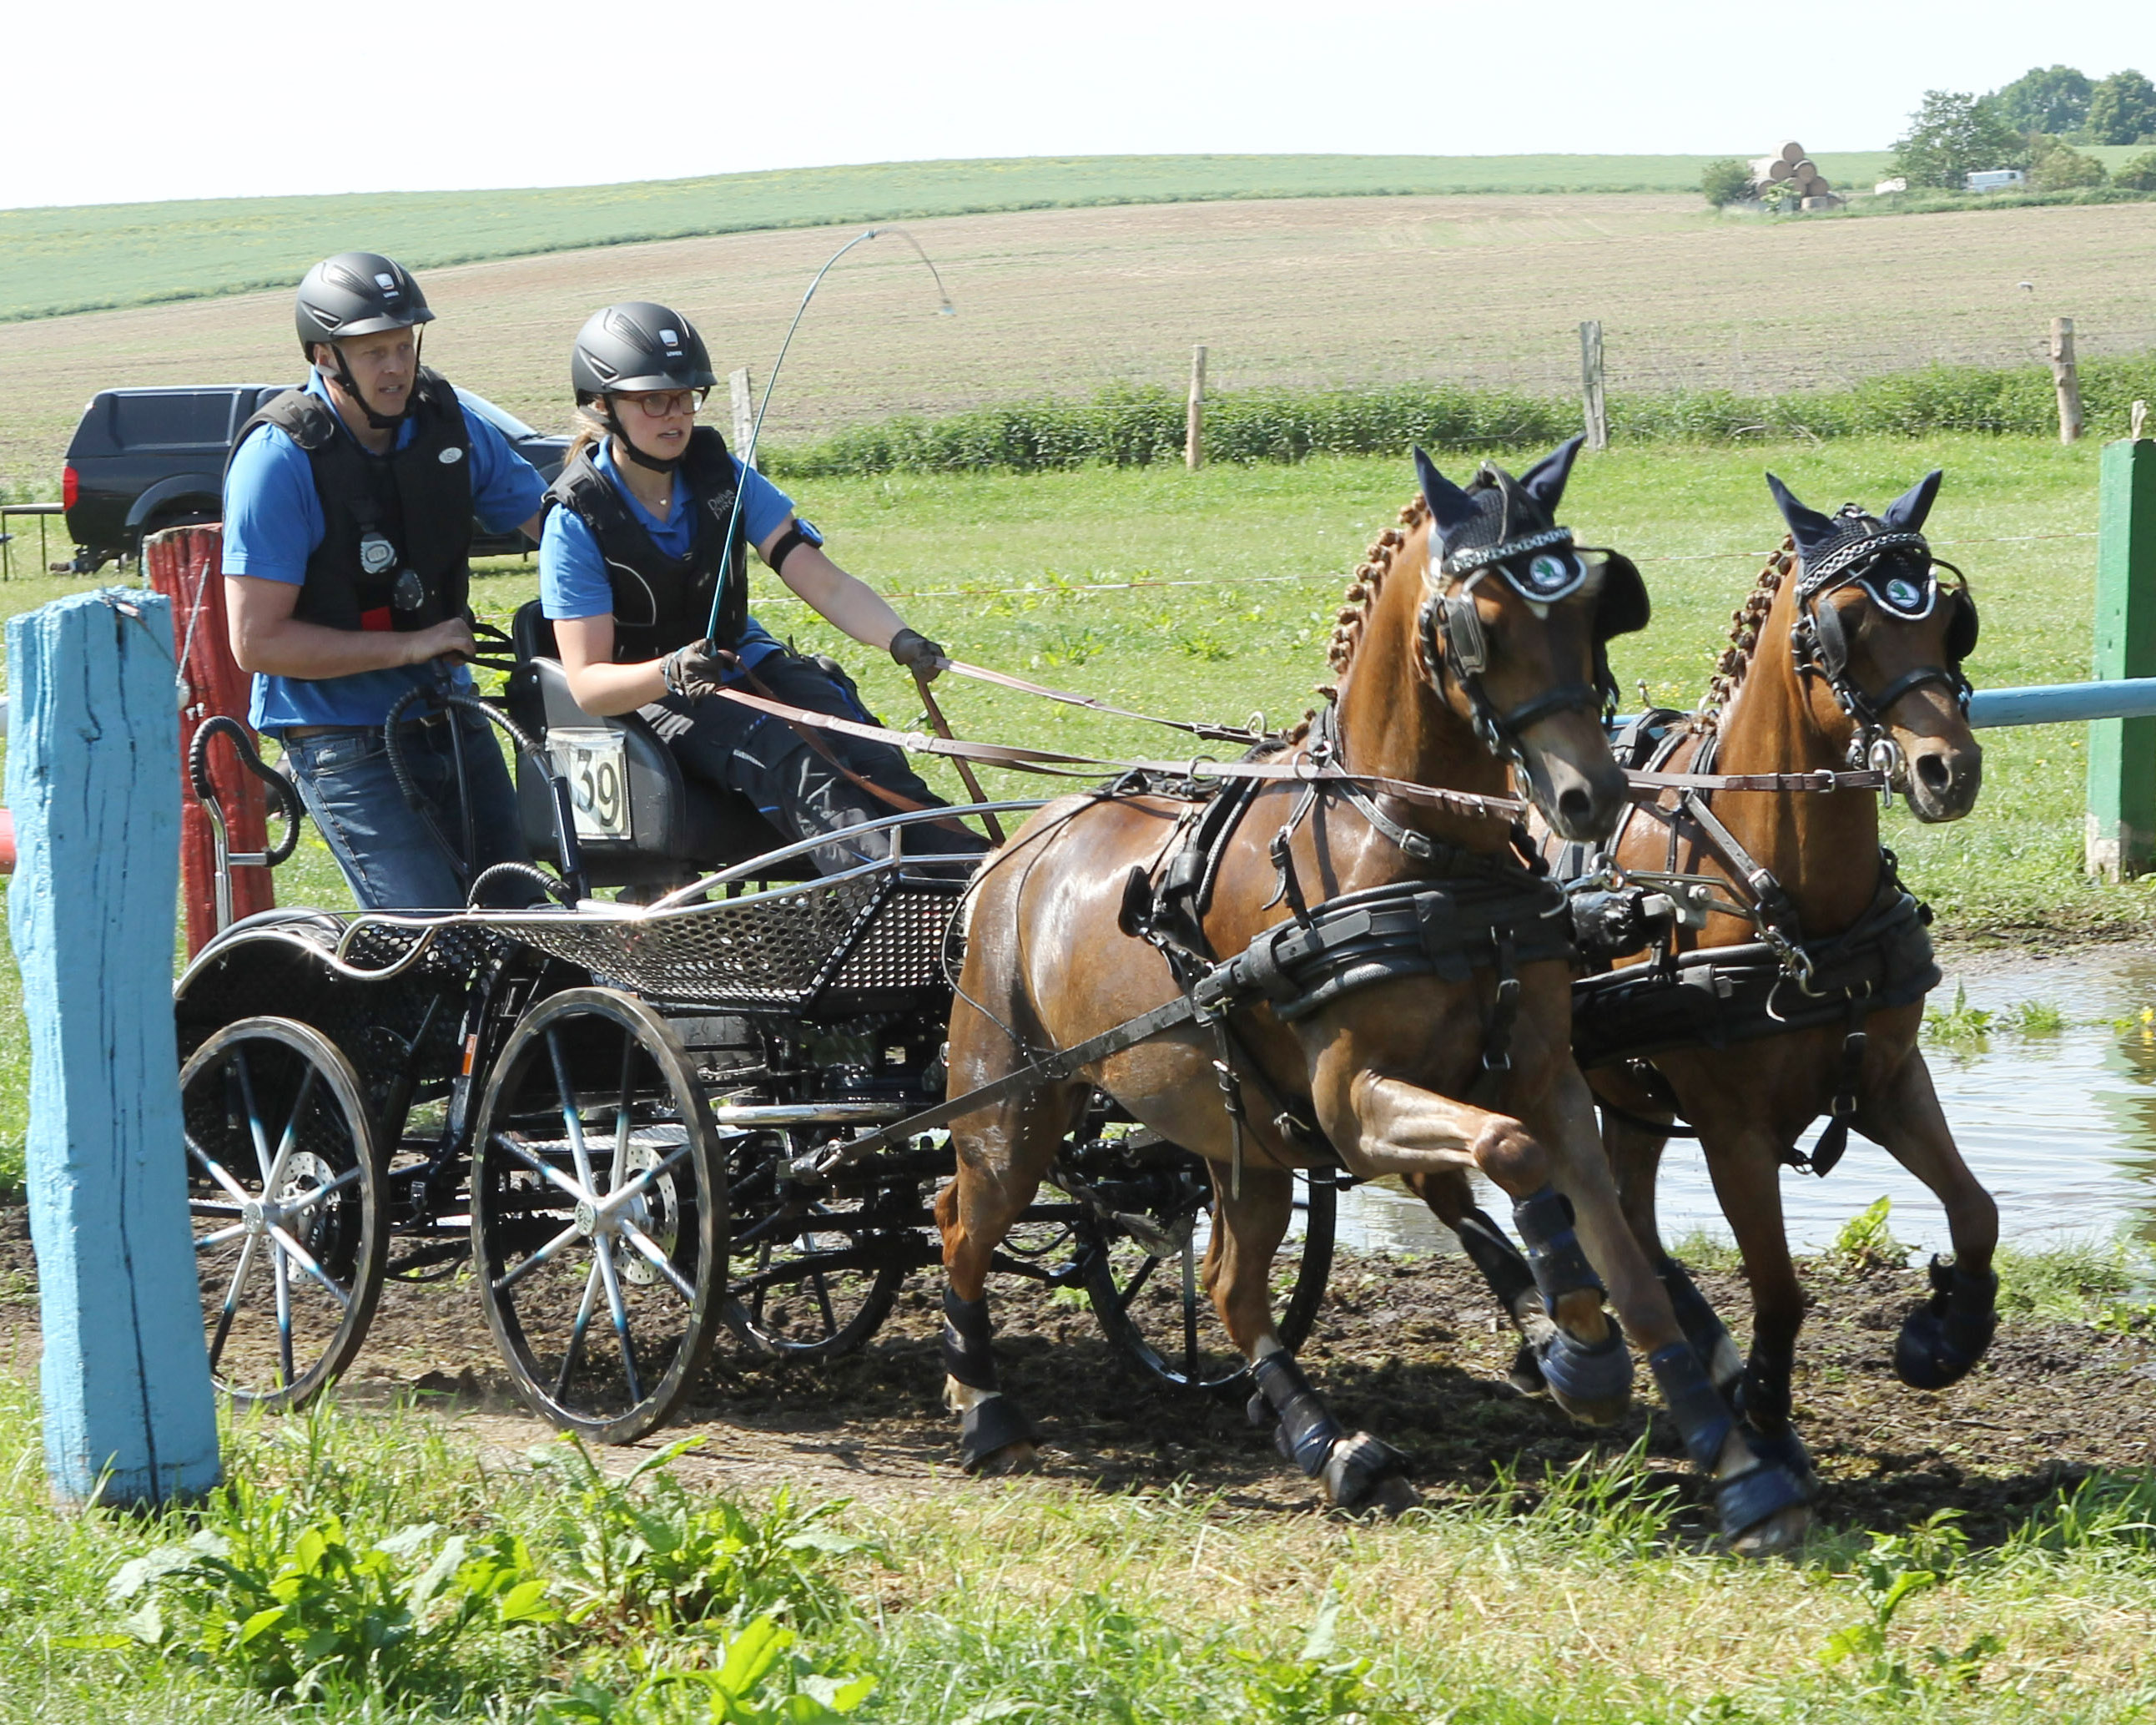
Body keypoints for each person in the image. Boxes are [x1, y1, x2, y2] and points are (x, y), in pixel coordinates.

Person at [537, 300, 988, 874]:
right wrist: (669, 670)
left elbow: (826, 584)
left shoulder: (719, 473)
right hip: (652, 699)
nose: (675, 414)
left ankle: (978, 884)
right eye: (654, 399)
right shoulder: (576, 519)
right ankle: (897, 902)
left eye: (686, 396)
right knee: (790, 758)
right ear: (603, 406)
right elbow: (588, 685)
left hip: (745, 662)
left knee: (867, 750)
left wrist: (900, 639)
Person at [222, 251, 549, 910]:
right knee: (430, 939)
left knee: (529, 921)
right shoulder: (279, 461)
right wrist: (413, 644)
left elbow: (557, 526)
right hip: (341, 741)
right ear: (322, 356)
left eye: (404, 345)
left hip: (450, 714)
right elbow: (256, 643)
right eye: (374, 352)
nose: (397, 367)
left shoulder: (445, 425)